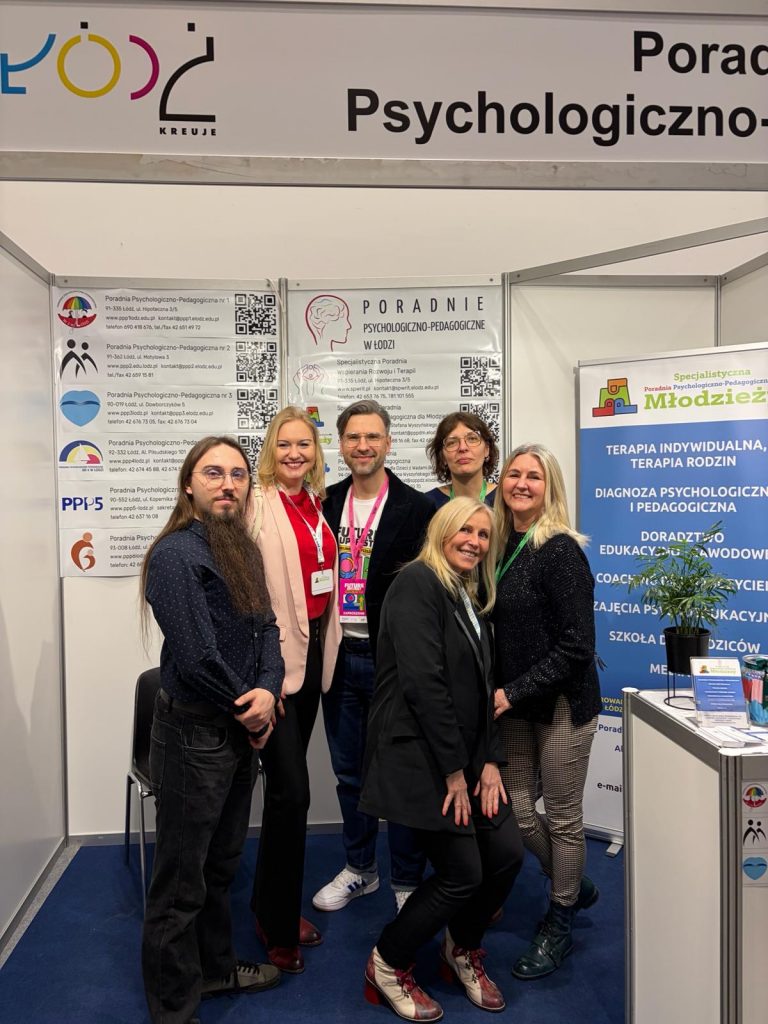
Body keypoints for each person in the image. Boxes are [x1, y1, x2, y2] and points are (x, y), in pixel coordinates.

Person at [360, 498, 523, 1020]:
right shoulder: (417, 583)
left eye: (483, 534)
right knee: (462, 873)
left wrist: (490, 759)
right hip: (421, 756)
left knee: (506, 853)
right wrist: (455, 772)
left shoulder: (466, 592)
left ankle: (460, 947)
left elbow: (482, 686)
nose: (474, 541)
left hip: (467, 756)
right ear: (441, 531)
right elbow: (424, 685)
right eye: (465, 530)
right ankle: (387, 963)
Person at [139, 436, 284, 1024]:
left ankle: (216, 970)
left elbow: (267, 628)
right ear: (188, 485)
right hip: (193, 736)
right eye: (214, 473)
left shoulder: (240, 548)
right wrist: (251, 709)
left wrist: (268, 692)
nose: (228, 484)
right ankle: (174, 1008)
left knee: (221, 865)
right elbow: (198, 656)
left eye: (239, 474)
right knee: (181, 883)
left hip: (235, 733)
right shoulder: (176, 555)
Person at [312, 399, 434, 914]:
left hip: (393, 661)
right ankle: (360, 868)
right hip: (339, 656)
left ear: (388, 442)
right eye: (353, 437)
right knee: (350, 776)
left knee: (402, 773)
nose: (363, 446)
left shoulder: (417, 509)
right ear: (340, 445)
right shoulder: (323, 503)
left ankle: (406, 880)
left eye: (372, 437)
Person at [492, 442, 601, 980]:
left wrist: (514, 692)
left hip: (561, 704)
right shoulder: (496, 544)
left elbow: (578, 644)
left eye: (533, 476)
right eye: (513, 474)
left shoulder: (559, 550)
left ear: (549, 487)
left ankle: (559, 921)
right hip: (515, 705)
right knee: (516, 812)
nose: (521, 483)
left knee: (562, 816)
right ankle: (572, 881)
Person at [248, 406, 342, 974]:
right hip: (273, 674)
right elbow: (244, 594)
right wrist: (262, 675)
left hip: (308, 670)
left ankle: (271, 906)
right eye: (284, 444)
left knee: (287, 799)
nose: (294, 453)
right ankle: (277, 923)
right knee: (292, 796)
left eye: (304, 444)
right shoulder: (256, 504)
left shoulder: (315, 504)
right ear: (270, 449)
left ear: (315, 451)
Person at [424, 411, 498, 509]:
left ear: (486, 449)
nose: (462, 448)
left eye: (472, 439)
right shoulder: (427, 505)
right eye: (452, 443)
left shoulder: (504, 499)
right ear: (442, 456)